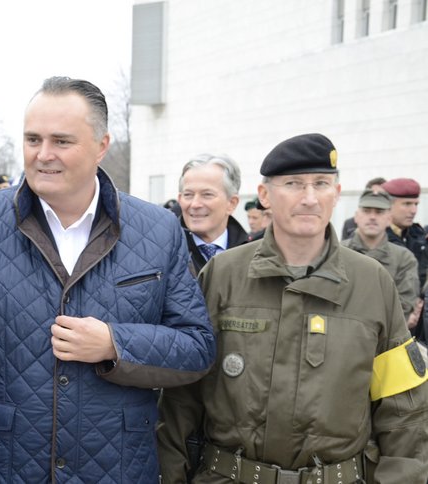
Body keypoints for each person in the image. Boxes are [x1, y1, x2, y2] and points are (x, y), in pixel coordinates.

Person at [0, 76, 216, 483]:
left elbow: (196, 348)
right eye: (32, 139)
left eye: (61, 141)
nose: (43, 155)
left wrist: (115, 343)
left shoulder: (157, 230)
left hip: (116, 469)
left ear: (102, 145)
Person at [158, 133, 428, 483]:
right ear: (266, 195)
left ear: (336, 193)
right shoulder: (224, 275)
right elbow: (182, 395)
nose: (310, 198)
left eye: (321, 184)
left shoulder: (372, 282)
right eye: (294, 184)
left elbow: (403, 410)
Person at [343, 189, 421, 326]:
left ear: (389, 219)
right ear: (356, 217)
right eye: (367, 211)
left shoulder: (404, 258)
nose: (372, 217)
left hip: (384, 341)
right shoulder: (337, 252)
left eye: (379, 212)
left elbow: (403, 307)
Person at [177, 153, 249, 275]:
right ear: (179, 199)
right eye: (188, 195)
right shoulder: (163, 252)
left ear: (231, 203)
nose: (195, 204)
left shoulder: (254, 256)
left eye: (207, 195)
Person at [382, 177, 428, 341]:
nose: (413, 210)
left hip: (418, 326)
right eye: (407, 204)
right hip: (388, 326)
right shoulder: (376, 238)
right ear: (388, 205)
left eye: (416, 204)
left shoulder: (418, 236)